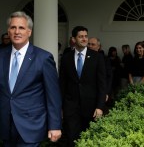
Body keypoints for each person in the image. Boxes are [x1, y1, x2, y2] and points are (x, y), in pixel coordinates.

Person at [0, 11, 62, 147]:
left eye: (21, 28)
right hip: (5, 125)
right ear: (8, 31)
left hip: (31, 125)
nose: (17, 31)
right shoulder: (1, 56)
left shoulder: (43, 58)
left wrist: (55, 125)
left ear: (29, 32)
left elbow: (53, 95)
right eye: (13, 27)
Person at [59, 26, 106, 147]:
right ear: (74, 39)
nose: (84, 39)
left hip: (91, 108)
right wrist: (60, 107)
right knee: (71, 139)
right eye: (81, 36)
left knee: (90, 139)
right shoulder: (66, 58)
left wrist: (100, 106)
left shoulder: (97, 57)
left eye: (86, 36)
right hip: (71, 107)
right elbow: (62, 84)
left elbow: (102, 83)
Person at [88, 37, 112, 103]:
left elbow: (109, 76)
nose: (90, 46)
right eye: (88, 44)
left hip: (99, 92)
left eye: (93, 44)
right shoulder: (83, 58)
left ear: (98, 47)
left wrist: (106, 92)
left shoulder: (104, 59)